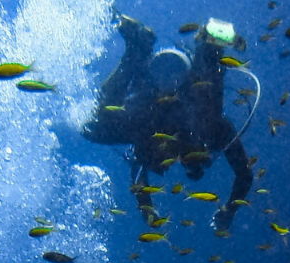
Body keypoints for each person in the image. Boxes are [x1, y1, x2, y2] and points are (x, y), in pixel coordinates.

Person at [82, 13, 256, 235]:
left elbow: (139, 173)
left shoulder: (156, 135)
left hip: (156, 98)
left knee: (95, 129)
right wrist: (229, 211)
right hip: (165, 96)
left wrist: (149, 213)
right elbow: (244, 174)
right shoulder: (213, 132)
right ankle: (208, 49)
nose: (167, 161)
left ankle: (142, 50)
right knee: (94, 129)